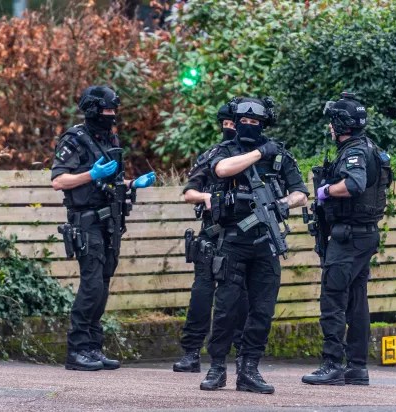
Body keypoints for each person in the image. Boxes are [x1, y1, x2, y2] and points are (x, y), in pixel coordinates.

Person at [200, 97, 309, 394]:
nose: (249, 126)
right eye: (244, 122)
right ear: (235, 123)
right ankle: (217, 367)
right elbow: (222, 170)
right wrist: (259, 152)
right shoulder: (225, 150)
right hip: (232, 241)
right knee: (226, 309)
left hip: (265, 243)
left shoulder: (279, 155)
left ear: (264, 124)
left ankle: (249, 368)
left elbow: (301, 192)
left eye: (255, 123)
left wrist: (281, 205)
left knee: (262, 310)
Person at [51, 85, 156, 371]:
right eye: (108, 111)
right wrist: (90, 174)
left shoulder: (110, 139)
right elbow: (59, 180)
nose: (112, 116)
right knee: (92, 284)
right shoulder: (74, 139)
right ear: (94, 111)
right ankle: (77, 350)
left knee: (103, 285)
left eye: (114, 111)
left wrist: (133, 184)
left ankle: (93, 348)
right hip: (86, 222)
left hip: (109, 221)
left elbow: (110, 183)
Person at [301, 92, 391, 386]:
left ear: (341, 124)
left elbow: (354, 184)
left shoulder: (355, 151)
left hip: (349, 236)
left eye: (332, 122)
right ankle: (356, 367)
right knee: (356, 301)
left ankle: (332, 365)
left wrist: (325, 192)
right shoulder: (368, 147)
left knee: (333, 298)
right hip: (362, 235)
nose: (330, 127)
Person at [173, 104, 249, 374]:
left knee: (242, 298)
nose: (229, 129)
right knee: (202, 294)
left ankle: (243, 356)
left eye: (234, 124)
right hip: (213, 234)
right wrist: (207, 198)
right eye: (226, 124)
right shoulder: (213, 156)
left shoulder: (254, 156)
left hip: (244, 237)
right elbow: (189, 192)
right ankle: (191, 353)